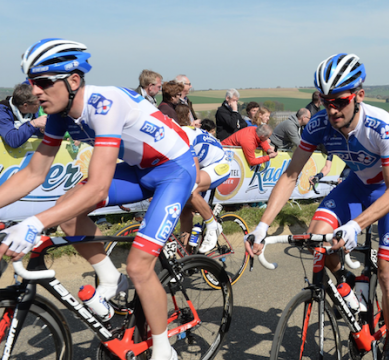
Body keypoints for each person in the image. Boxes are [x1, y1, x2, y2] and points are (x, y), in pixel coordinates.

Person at [0, 38, 194, 360]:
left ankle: (164, 350)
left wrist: (33, 223)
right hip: (140, 170)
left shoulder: (104, 104)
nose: (35, 91)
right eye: (32, 82)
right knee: (66, 209)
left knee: (139, 266)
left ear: (73, 81)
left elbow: (99, 189)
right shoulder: (60, 114)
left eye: (44, 82)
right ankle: (109, 277)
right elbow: (33, 173)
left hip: (175, 170)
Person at [245, 53, 389, 359]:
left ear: (359, 96)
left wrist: (355, 225)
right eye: (325, 101)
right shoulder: (319, 124)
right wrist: (262, 225)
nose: (332, 109)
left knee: (388, 273)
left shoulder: (381, 126)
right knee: (318, 240)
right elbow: (291, 175)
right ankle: (348, 289)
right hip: (359, 183)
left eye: (340, 101)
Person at [174, 104, 230, 253]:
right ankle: (187, 258)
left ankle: (213, 226)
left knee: (191, 190)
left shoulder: (183, 135)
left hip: (219, 164)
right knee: (185, 213)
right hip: (205, 164)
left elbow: (196, 175)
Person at [0, 83, 47, 148]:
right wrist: (34, 123)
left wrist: (42, 131)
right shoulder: (2, 112)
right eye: (37, 103)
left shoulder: (32, 112)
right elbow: (12, 141)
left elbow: (33, 133)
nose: (40, 105)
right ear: (25, 106)